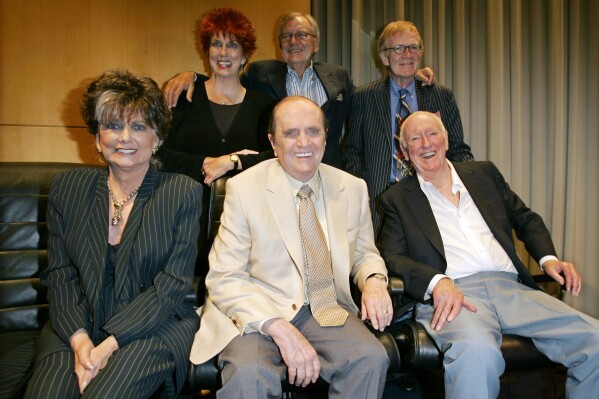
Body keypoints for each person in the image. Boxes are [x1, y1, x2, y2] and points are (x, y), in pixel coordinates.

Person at [379, 111, 599, 398]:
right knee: (476, 351)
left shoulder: (483, 174)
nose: (425, 143)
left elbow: (525, 218)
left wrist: (549, 259)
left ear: (445, 139)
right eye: (415, 139)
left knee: (594, 339)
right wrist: (437, 281)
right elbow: (393, 256)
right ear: (404, 152)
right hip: (455, 296)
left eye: (432, 133)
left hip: (511, 290)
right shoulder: (396, 197)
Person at [189, 96, 393, 398]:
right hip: (256, 308)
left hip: (324, 307)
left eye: (313, 131)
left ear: (326, 137)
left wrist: (375, 280)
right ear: (273, 143)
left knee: (371, 358)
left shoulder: (351, 187)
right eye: (291, 133)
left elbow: (364, 254)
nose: (303, 142)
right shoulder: (244, 188)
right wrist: (279, 328)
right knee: (249, 376)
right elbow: (224, 277)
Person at [24, 70, 202, 399]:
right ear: (96, 137)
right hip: (76, 325)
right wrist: (81, 346)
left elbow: (172, 285)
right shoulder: (67, 188)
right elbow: (60, 275)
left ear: (157, 138)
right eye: (113, 125)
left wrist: (106, 347)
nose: (124, 138)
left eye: (138, 126)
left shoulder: (181, 192)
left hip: (153, 327)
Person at [164, 12, 436, 169]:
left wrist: (408, 76)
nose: (294, 41)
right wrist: (193, 77)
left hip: (326, 174)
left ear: (315, 43)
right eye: (287, 36)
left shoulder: (338, 76)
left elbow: (368, 101)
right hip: (278, 176)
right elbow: (226, 77)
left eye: (302, 35)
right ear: (279, 44)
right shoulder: (260, 74)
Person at [157, 7, 276, 278]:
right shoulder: (184, 99)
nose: (223, 53)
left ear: (245, 55)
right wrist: (205, 163)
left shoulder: (263, 106)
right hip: (184, 225)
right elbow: (159, 155)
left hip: (245, 228)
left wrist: (233, 161)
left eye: (232, 45)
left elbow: (277, 157)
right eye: (216, 44)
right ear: (206, 51)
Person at [344, 20, 474, 238]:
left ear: (420, 53)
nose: (407, 54)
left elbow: (458, 150)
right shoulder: (364, 97)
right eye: (398, 48)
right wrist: (362, 190)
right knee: (384, 262)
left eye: (413, 47)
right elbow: (352, 152)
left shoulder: (440, 95)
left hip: (433, 196)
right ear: (384, 57)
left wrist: (460, 191)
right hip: (381, 198)